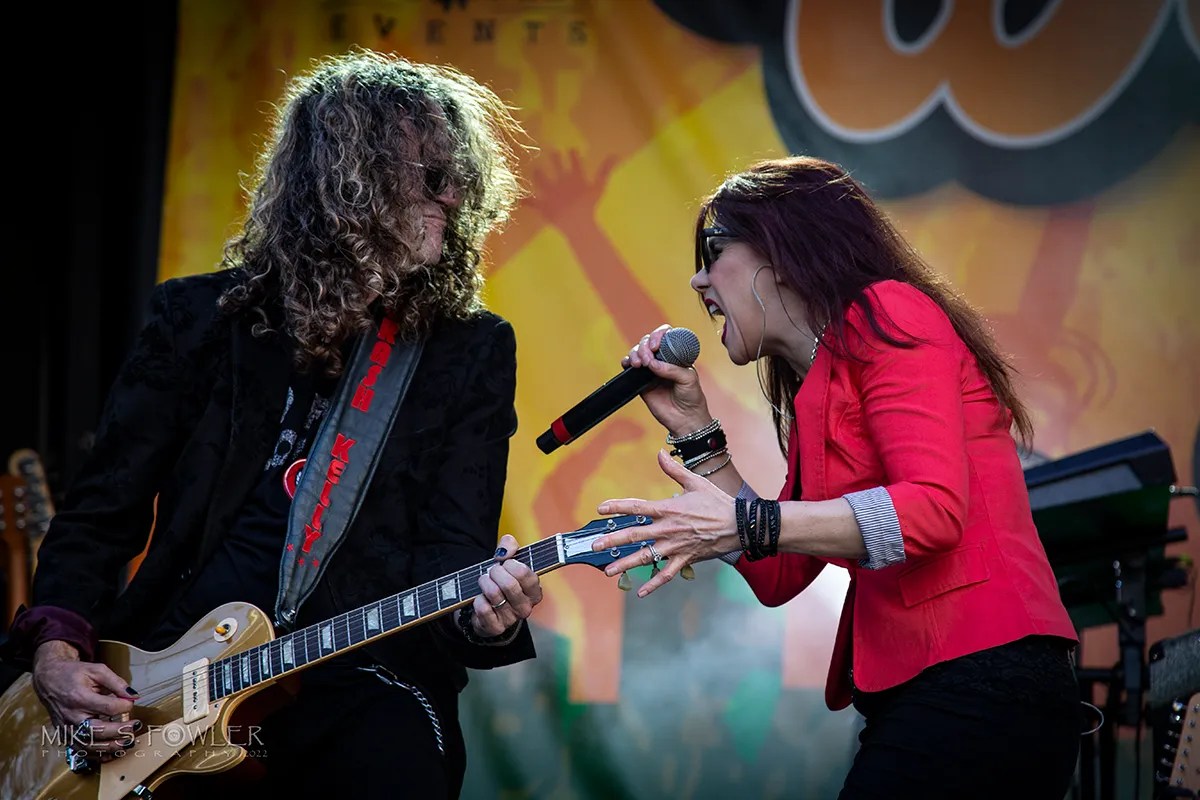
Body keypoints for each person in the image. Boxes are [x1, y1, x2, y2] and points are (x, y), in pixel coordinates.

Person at [3, 48, 542, 799]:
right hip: (171, 677)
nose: (454, 196)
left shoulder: (468, 349)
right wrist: (57, 647)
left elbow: (453, 554)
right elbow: (101, 512)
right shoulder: (199, 318)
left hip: (360, 677)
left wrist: (488, 620)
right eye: (431, 176)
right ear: (350, 181)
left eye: (459, 177)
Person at [588, 156, 1082, 799]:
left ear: (781, 250)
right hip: (925, 694)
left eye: (712, 252)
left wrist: (743, 523)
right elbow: (779, 571)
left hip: (984, 676)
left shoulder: (888, 312)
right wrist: (694, 428)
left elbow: (930, 512)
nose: (697, 278)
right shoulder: (820, 384)